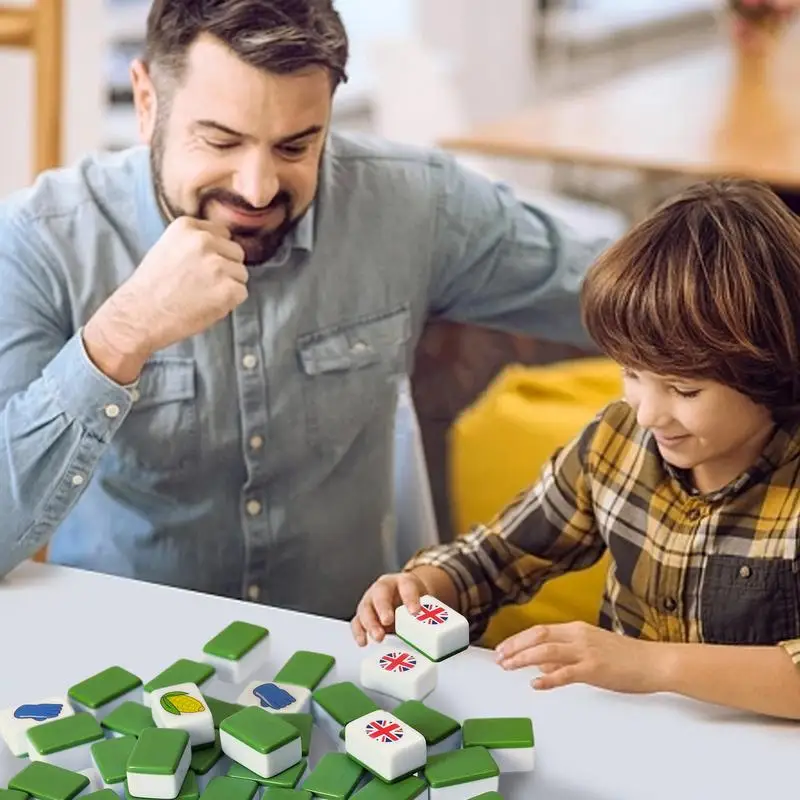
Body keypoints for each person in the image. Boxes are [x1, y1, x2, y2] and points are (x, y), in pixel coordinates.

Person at [0, 0, 610, 619]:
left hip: (349, 651)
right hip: (129, 656)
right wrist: (118, 335)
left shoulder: (415, 205)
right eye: (221, 140)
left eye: (296, 146)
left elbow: (627, 291)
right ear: (147, 100)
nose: (257, 188)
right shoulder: (42, 242)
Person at [353, 179, 800, 720]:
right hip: (624, 736)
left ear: (772, 371)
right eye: (632, 374)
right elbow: (498, 558)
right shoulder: (616, 440)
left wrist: (650, 665)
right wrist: (423, 585)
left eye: (685, 390)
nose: (647, 412)